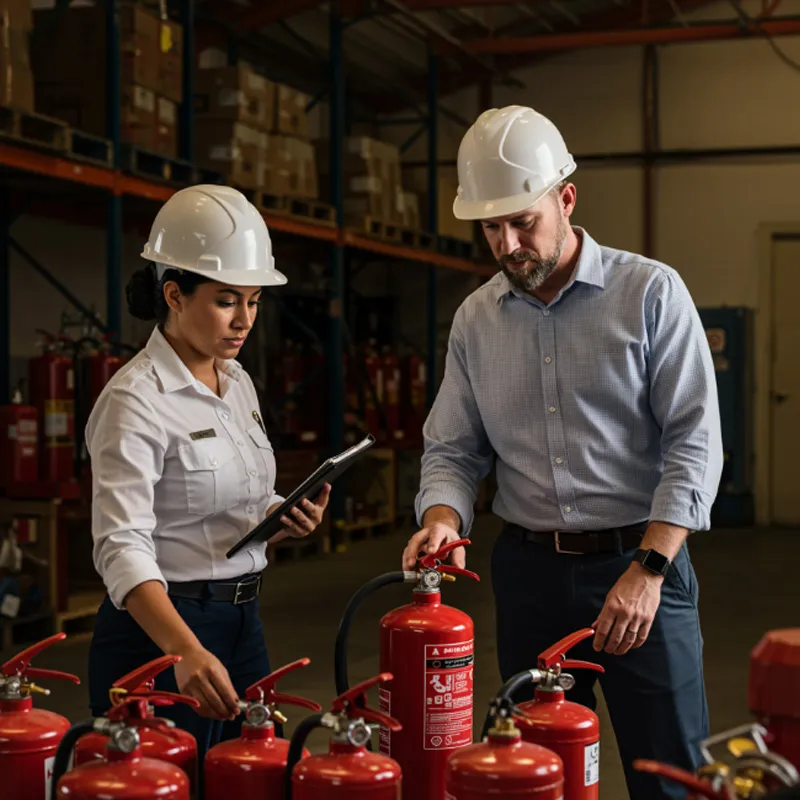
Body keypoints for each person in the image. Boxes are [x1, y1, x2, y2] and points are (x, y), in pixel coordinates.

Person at [401, 106, 723, 800]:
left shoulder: (649, 294)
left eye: (524, 221)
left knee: (670, 776)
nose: (509, 242)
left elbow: (694, 441)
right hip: (530, 575)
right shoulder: (476, 320)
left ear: (566, 199)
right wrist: (442, 518)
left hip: (639, 566)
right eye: (491, 227)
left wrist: (650, 567)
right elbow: (453, 448)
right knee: (532, 776)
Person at [86, 185, 330, 768]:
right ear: (174, 294)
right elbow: (121, 546)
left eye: (253, 301)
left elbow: (232, 494)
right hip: (160, 633)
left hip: (243, 622)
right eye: (226, 300)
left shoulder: (236, 381)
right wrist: (182, 651)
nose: (244, 319)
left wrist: (280, 514)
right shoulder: (134, 401)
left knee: (253, 777)